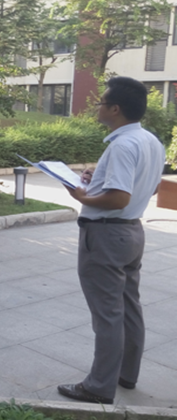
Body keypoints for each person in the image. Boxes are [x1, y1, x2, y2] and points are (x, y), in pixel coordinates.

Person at [57, 77, 165, 405]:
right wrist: (98, 180)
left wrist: (82, 196)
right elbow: (150, 187)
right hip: (131, 232)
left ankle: (98, 386)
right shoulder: (150, 141)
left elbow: (118, 198)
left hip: (106, 234)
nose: (98, 107)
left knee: (107, 313)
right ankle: (126, 374)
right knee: (129, 307)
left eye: (101, 102)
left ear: (115, 109)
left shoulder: (121, 145)